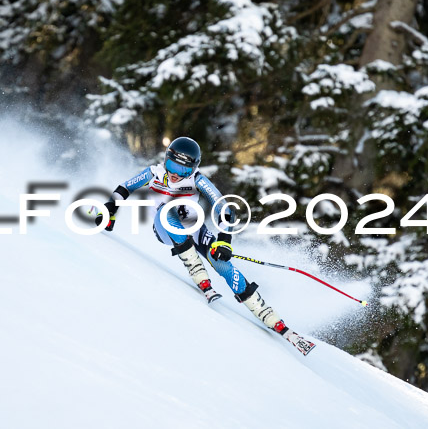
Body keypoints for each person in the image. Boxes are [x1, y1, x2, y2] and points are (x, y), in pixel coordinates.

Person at [94, 136, 293, 338]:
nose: (174, 174)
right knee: (166, 210)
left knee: (222, 264)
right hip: (165, 228)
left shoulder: (198, 180)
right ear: (165, 160)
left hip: (195, 230)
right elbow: (124, 188)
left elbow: (225, 210)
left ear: (193, 169)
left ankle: (271, 318)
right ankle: (198, 272)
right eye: (171, 165)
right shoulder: (154, 173)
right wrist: (110, 209)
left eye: (182, 170)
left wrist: (224, 240)